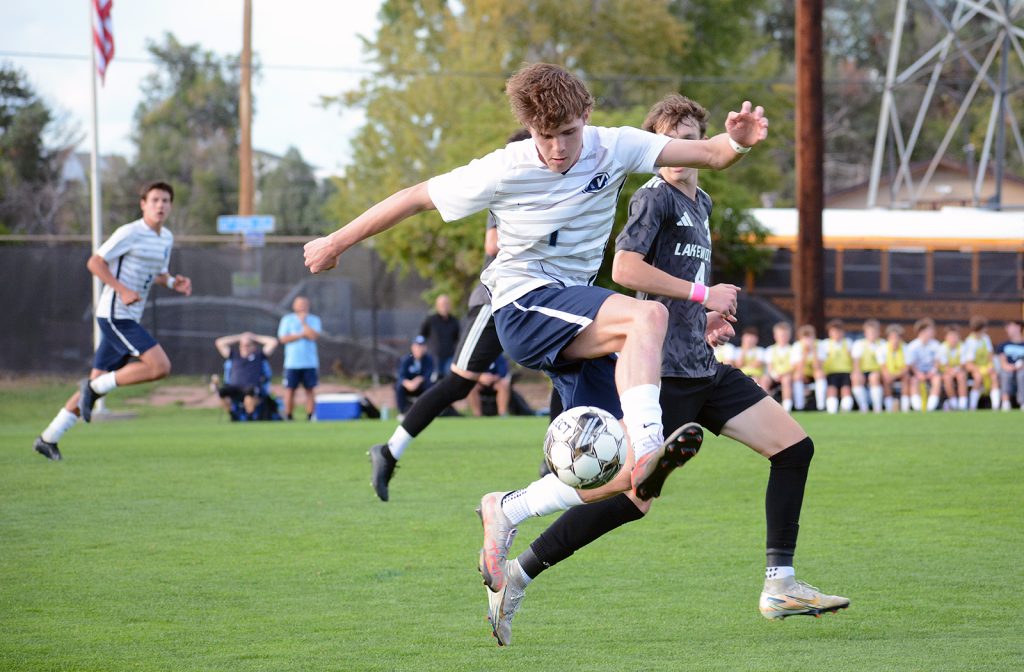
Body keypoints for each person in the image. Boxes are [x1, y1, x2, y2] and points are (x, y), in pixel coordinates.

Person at [305, 60, 766, 558]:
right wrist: (336, 240)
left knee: (623, 479)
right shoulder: (506, 166)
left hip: (573, 311)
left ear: (586, 114)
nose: (558, 148)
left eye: (568, 133)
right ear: (529, 128)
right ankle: (650, 441)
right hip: (524, 306)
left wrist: (738, 140)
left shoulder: (616, 145)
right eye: (545, 136)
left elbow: (713, 153)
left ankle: (509, 509)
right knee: (647, 317)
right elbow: (416, 198)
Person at [484, 94, 845, 646]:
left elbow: (671, 291)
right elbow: (626, 269)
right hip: (665, 375)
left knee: (794, 449)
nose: (677, 151)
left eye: (687, 136)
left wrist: (701, 320)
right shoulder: (654, 198)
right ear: (656, 146)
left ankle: (781, 583)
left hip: (702, 364)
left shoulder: (700, 204)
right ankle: (519, 567)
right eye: (667, 137)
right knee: (629, 496)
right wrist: (703, 292)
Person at [369, 131, 534, 502]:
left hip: (535, 296)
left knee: (568, 363)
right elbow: (492, 245)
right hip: (497, 298)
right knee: (459, 382)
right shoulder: (508, 189)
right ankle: (390, 451)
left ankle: (552, 465)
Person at [33, 181, 193, 461]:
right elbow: (95, 262)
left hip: (129, 316)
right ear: (143, 204)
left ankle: (49, 438)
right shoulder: (129, 232)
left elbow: (157, 272)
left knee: (94, 386)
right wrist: (122, 289)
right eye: (154, 200)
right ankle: (93, 387)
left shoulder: (165, 238)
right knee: (160, 367)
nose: (160, 205)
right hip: (116, 315)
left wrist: (172, 281)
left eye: (166, 200)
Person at [215, 332, 279, 420]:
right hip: (235, 388)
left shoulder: (259, 356)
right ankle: (233, 415)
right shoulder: (234, 355)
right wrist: (239, 337)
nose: (245, 347)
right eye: (242, 345)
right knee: (222, 392)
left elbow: (273, 342)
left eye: (248, 345)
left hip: (252, 388)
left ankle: (250, 416)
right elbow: (219, 342)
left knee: (250, 392)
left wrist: (254, 337)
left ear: (254, 346)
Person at [277, 296, 322, 420]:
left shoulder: (314, 319)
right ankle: (289, 416)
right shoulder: (287, 320)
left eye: (304, 304)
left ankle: (310, 416)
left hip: (310, 362)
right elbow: (283, 338)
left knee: (310, 390)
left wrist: (303, 323)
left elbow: (313, 336)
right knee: (290, 390)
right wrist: (301, 334)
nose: (302, 307)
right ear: (294, 306)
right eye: (299, 304)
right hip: (292, 363)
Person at [963, 316, 1002, 410]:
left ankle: (996, 406)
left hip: (986, 366)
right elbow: (969, 362)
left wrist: (990, 366)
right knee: (978, 377)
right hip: (974, 367)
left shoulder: (985, 338)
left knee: (994, 377)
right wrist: (980, 370)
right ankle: (972, 406)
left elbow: (990, 355)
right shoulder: (970, 341)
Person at [419, 294, 460, 381]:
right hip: (433, 358)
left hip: (449, 357)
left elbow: (457, 339)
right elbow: (421, 336)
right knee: (433, 381)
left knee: (449, 380)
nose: (444, 306)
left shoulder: (454, 321)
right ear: (437, 306)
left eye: (446, 304)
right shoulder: (430, 320)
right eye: (442, 304)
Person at [906, 318, 943, 411]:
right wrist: (918, 374)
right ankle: (917, 408)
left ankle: (930, 408)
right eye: (930, 330)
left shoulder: (936, 345)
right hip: (918, 373)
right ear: (922, 331)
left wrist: (932, 372)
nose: (933, 332)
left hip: (931, 372)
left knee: (937, 380)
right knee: (914, 381)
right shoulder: (912, 346)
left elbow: (937, 362)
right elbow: (911, 364)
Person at [820, 319, 854, 414]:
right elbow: (821, 361)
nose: (836, 334)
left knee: (846, 390)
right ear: (829, 333)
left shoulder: (848, 343)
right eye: (834, 331)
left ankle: (845, 410)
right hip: (831, 373)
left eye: (839, 331)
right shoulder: (825, 344)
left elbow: (853, 359)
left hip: (845, 372)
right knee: (831, 390)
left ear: (843, 332)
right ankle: (832, 411)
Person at [851, 319, 884, 413]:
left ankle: (877, 408)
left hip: (878, 372)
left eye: (874, 332)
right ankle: (863, 407)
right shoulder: (859, 344)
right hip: (863, 371)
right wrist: (858, 374)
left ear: (878, 332)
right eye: (870, 332)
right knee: (855, 378)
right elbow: (856, 362)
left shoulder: (883, 344)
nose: (872, 335)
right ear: (865, 333)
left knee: (874, 377)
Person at [394, 335, 435, 414]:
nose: (419, 349)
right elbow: (401, 375)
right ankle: (403, 412)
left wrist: (417, 381)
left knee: (431, 386)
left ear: (425, 348)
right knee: (398, 387)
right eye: (417, 346)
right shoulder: (406, 359)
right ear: (412, 347)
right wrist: (408, 383)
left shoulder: (429, 359)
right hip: (408, 386)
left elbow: (428, 374)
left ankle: (428, 411)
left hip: (421, 386)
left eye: (422, 346)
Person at [791, 324, 826, 411]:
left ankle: (821, 406)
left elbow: (817, 366)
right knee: (797, 376)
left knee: (820, 374)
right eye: (805, 337)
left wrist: (814, 351)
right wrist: (805, 353)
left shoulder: (819, 345)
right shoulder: (796, 346)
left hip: (814, 373)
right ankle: (799, 406)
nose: (808, 341)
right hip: (802, 373)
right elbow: (798, 368)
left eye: (810, 337)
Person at [763, 321, 795, 412]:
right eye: (781, 335)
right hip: (774, 376)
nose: (783, 337)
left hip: (787, 376)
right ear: (775, 336)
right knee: (764, 380)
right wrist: (775, 375)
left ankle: (786, 408)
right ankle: (765, 405)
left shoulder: (793, 349)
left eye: (785, 335)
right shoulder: (770, 349)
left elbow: (793, 367)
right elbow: (770, 367)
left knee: (786, 380)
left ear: (789, 336)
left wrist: (783, 375)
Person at [879, 323, 911, 412]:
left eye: (897, 337)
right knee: (885, 379)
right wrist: (889, 375)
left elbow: (906, 368)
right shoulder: (882, 348)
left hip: (901, 374)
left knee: (907, 377)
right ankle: (889, 406)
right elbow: (883, 367)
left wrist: (896, 375)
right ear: (888, 338)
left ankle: (905, 406)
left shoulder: (906, 348)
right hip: (888, 374)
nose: (895, 340)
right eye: (892, 337)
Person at [996, 319, 1024, 410]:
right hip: (1008, 369)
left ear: (1018, 327)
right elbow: (1002, 362)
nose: (1008, 329)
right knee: (1005, 373)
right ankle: (1005, 402)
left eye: (1010, 327)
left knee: (1022, 374)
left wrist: (1021, 366)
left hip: (1022, 369)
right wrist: (1010, 367)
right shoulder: (1003, 345)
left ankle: (1022, 403)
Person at [938, 325, 968, 411]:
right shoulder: (942, 348)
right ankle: (953, 403)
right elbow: (944, 365)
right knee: (947, 378)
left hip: (959, 371)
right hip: (947, 372)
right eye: (951, 336)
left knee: (961, 376)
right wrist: (951, 371)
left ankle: (963, 404)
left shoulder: (962, 346)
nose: (953, 339)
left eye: (955, 336)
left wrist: (956, 370)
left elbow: (963, 363)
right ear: (946, 337)